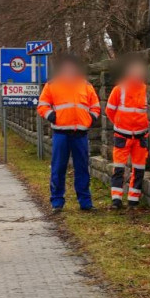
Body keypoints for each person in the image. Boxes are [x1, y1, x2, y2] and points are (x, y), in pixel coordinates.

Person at [36, 54, 101, 212]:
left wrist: (91, 118)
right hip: (61, 134)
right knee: (58, 168)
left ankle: (85, 202)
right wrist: (52, 116)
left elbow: (96, 106)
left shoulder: (86, 85)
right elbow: (42, 106)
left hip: (80, 134)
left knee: (82, 168)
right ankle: (57, 202)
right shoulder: (52, 85)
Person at [106, 55, 150, 209]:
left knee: (138, 169)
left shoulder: (147, 90)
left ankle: (133, 200)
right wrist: (120, 125)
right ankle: (116, 200)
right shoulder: (119, 89)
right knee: (119, 168)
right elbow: (110, 111)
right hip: (122, 135)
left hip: (141, 136)